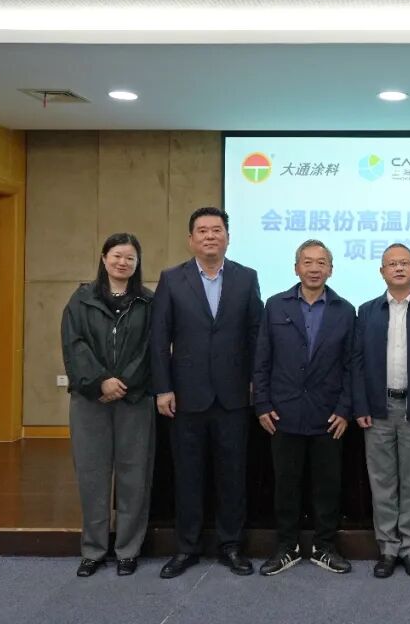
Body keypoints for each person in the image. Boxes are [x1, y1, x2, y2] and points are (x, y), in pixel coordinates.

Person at [151, 207, 262, 579]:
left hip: (234, 396)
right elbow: (159, 338)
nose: (210, 236)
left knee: (233, 475)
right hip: (186, 396)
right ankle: (187, 547)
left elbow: (256, 334)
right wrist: (163, 387)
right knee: (188, 476)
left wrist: (255, 381)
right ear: (191, 239)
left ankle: (231, 546)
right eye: (202, 230)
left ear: (228, 237)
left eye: (217, 230)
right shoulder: (172, 279)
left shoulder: (247, 278)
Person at [255, 239, 356, 576]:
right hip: (283, 412)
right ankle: (286, 547)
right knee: (285, 484)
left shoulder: (345, 310)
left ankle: (325, 547)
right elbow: (262, 359)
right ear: (296, 268)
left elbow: (351, 366)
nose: (314, 268)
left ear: (331, 269)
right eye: (308, 262)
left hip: (329, 415)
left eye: (321, 263)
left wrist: (345, 409)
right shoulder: (275, 306)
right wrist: (262, 404)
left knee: (328, 485)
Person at [61, 233, 154, 577]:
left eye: (130, 258)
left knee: (134, 475)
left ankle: (128, 549)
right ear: (103, 258)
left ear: (137, 263)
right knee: (92, 475)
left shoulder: (148, 302)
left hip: (135, 399)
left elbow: (151, 348)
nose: (122, 263)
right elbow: (74, 345)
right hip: (90, 399)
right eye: (117, 256)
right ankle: (94, 550)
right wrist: (100, 380)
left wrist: (124, 382)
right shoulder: (81, 299)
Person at [353, 244, 410, 578]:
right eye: (392, 264)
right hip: (378, 408)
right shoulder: (367, 311)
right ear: (382, 272)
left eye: (405, 263)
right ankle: (388, 549)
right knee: (382, 482)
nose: (399, 268)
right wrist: (361, 404)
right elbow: (357, 362)